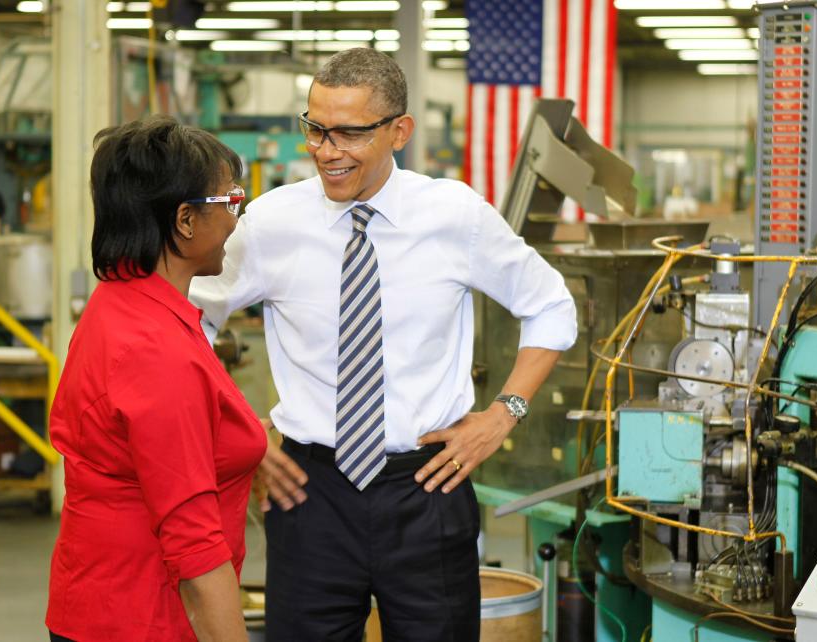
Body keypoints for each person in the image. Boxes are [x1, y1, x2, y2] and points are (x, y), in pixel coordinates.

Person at [190, 48, 577, 641]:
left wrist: (504, 414)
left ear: (399, 131)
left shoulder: (454, 215)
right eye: (315, 129)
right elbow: (189, 322)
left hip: (428, 488)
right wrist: (241, 431)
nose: (326, 150)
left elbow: (550, 306)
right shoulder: (272, 224)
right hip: (307, 492)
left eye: (348, 133)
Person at [46, 116, 266, 642]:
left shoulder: (121, 303)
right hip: (145, 618)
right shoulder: (155, 351)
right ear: (185, 219)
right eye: (229, 202)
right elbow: (194, 547)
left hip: (96, 600)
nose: (235, 221)